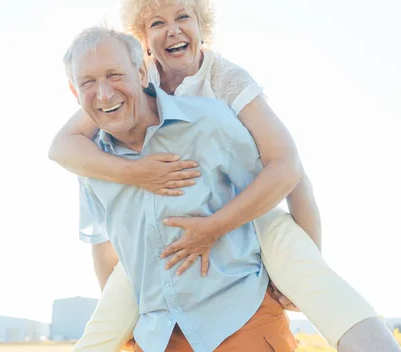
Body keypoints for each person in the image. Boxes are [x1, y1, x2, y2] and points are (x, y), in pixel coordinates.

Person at [51, 0, 401, 352]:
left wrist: (284, 264)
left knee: (320, 285)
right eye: (157, 23)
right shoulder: (132, 81)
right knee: (106, 322)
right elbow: (63, 148)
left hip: (246, 209)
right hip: (164, 229)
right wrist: (138, 174)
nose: (173, 31)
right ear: (142, 40)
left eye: (183, 18)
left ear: (203, 26)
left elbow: (289, 170)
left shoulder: (226, 80)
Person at [70, 26, 298, 351]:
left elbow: (277, 181)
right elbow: (104, 246)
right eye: (88, 82)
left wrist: (216, 229)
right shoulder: (90, 164)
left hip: (241, 323)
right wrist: (127, 331)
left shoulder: (209, 123)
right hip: (156, 337)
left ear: (140, 72)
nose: (104, 93)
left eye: (114, 75)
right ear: (73, 91)